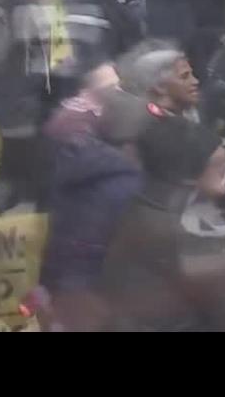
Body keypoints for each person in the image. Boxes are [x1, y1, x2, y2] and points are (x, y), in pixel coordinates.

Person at [101, 114, 225, 332]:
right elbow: (220, 305)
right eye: (219, 163)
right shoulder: (171, 229)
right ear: (188, 175)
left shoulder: (155, 205)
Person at [41, 86, 152, 331]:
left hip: (57, 284)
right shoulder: (126, 184)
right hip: (92, 296)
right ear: (133, 142)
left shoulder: (75, 163)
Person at [116, 39, 201, 121]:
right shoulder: (144, 126)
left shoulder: (193, 117)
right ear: (160, 86)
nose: (195, 81)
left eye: (192, 75)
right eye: (184, 77)